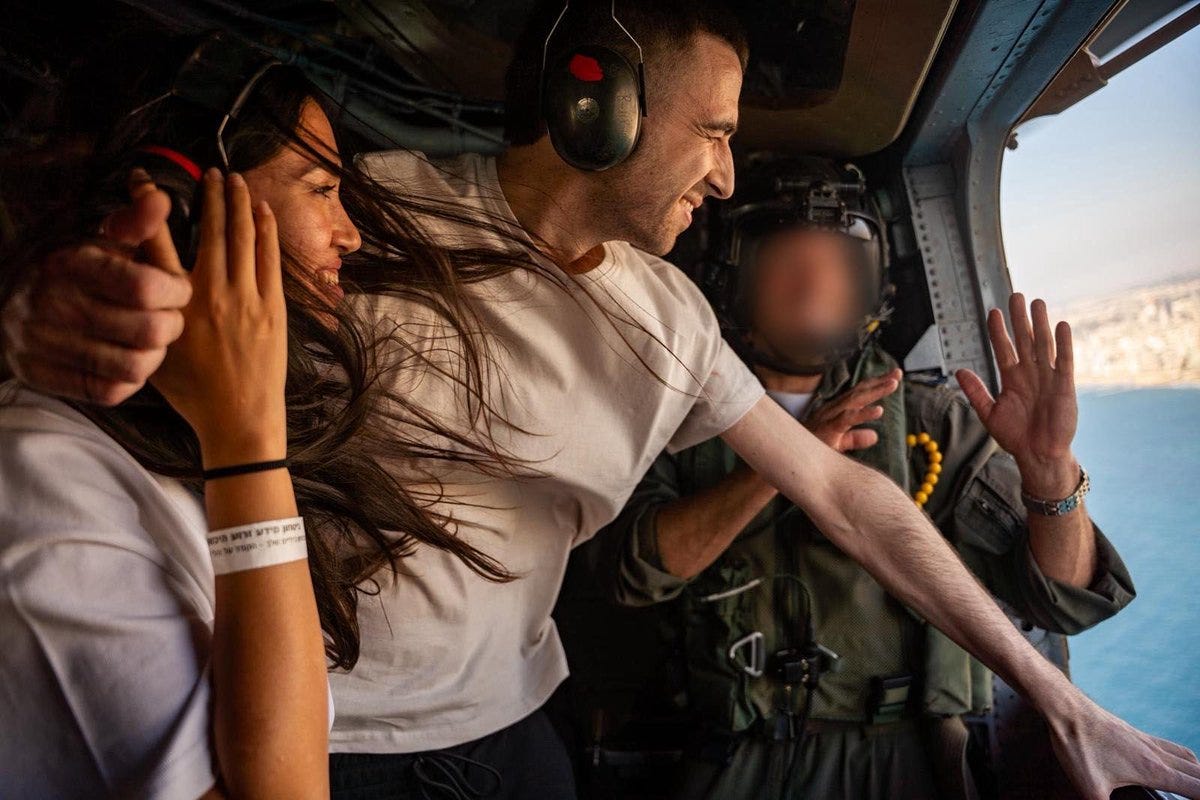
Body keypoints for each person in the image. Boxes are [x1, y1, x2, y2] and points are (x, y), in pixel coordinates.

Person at [4, 3, 1199, 799]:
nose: (727, 174)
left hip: (522, 729)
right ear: (602, 106)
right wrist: (36, 317)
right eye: (716, 133)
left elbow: (848, 495)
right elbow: (146, 302)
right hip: (323, 737)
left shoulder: (669, 319)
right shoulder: (360, 221)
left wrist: (1051, 694)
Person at [0, 31, 523, 799]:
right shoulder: (47, 492)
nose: (349, 232)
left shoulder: (175, 439)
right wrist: (248, 447)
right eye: (320, 189)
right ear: (189, 223)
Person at [561, 157, 1136, 799]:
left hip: (897, 757)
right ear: (735, 275)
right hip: (728, 753)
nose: (813, 286)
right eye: (787, 262)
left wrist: (1051, 473)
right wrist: (788, 460)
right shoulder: (674, 415)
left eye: (836, 264)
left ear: (871, 284)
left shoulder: (926, 422)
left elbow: (1062, 598)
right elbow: (630, 572)